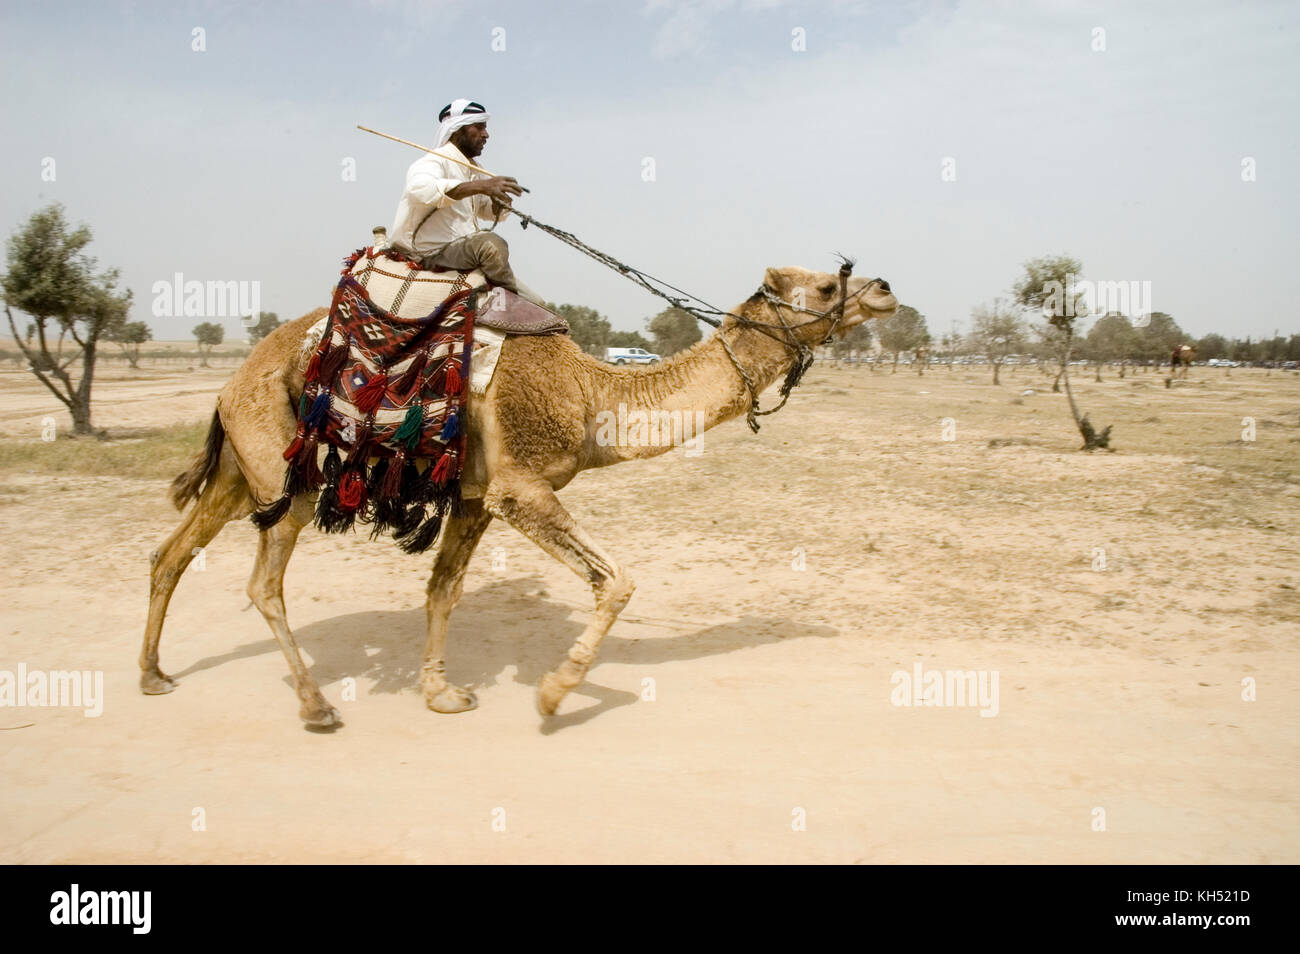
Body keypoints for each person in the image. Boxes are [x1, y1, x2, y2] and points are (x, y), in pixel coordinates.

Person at [386, 99, 544, 305]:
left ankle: (511, 307)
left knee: (537, 303)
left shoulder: (473, 169)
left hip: (462, 252)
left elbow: (484, 211)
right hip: (428, 252)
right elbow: (419, 189)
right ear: (457, 130)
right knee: (490, 244)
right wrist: (482, 186)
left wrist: (498, 203)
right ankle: (507, 308)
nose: (486, 135)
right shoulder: (433, 161)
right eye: (478, 127)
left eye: (485, 128)